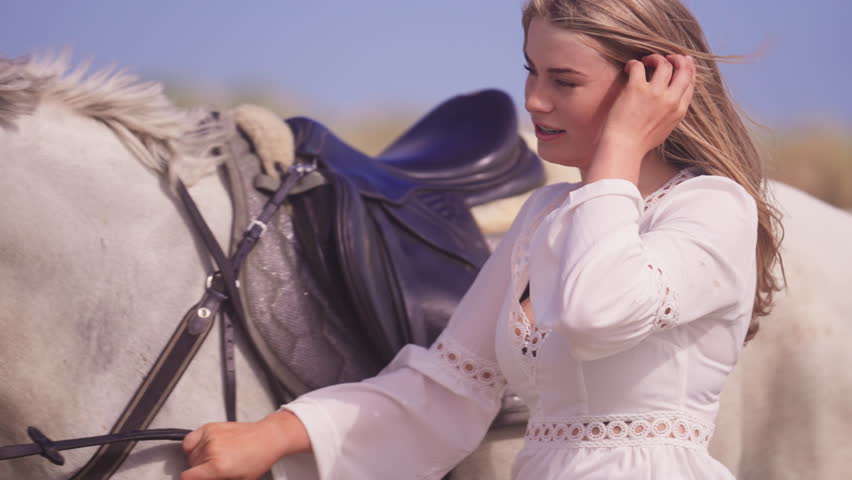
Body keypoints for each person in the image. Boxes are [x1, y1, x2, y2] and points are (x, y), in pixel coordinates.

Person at [181, 0, 785, 478]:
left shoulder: (712, 206)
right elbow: (449, 388)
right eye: (531, 70)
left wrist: (621, 149)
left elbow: (597, 311)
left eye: (564, 80)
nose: (533, 100)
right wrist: (273, 435)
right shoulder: (546, 214)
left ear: (648, 85)